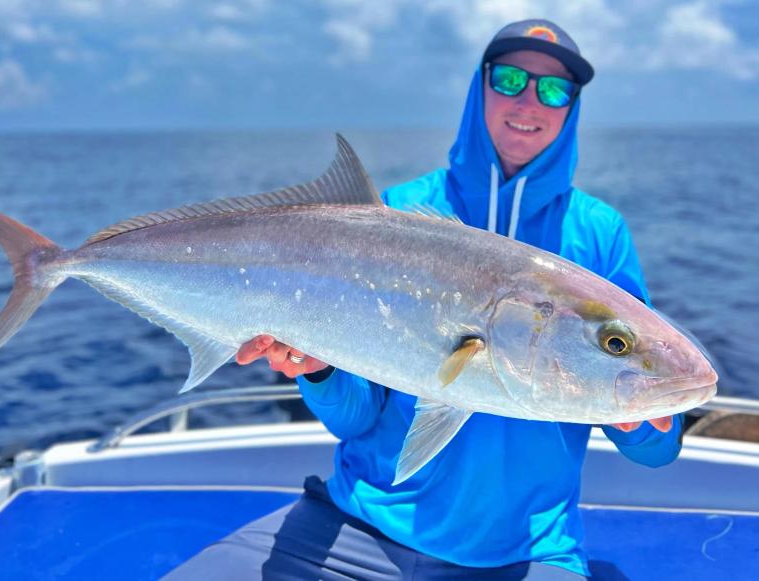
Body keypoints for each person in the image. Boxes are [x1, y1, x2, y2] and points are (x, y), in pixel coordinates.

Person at [165, 19, 681, 580]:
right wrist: (318, 373)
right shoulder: (401, 212)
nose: (530, 100)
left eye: (554, 89)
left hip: (522, 553)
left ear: (572, 108)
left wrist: (645, 424)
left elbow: (656, 451)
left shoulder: (598, 234)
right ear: (479, 86)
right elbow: (357, 418)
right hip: (357, 529)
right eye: (510, 79)